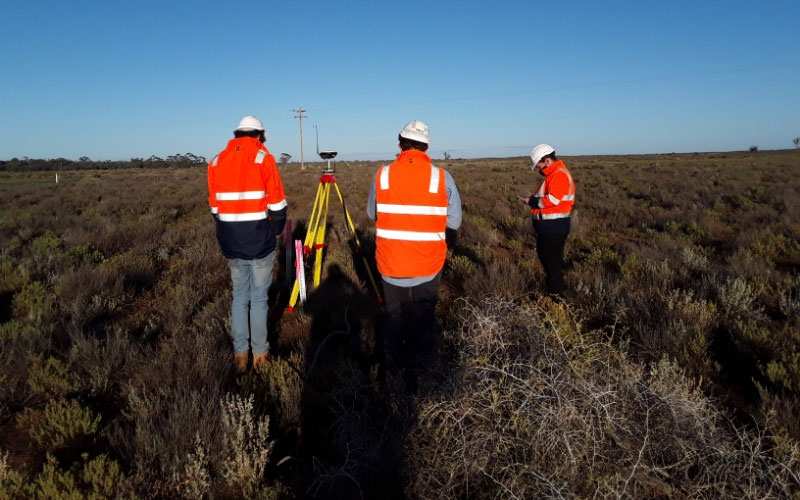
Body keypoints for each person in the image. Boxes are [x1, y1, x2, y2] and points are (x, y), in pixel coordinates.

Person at [366, 120, 462, 384]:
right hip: (428, 264)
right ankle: (424, 375)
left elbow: (371, 213)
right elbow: (454, 220)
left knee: (393, 320)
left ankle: (394, 376)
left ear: (400, 144)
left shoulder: (382, 174)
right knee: (424, 318)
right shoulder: (441, 176)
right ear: (426, 147)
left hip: (390, 264)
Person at [208, 115, 287, 373]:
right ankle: (260, 353)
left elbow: (215, 209)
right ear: (259, 135)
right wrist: (274, 232)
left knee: (239, 296)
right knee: (259, 297)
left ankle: (240, 353)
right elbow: (277, 204)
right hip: (260, 241)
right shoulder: (264, 158)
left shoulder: (216, 161)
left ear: (237, 134)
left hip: (231, 242)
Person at [520, 144, 575, 299]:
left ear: (547, 160)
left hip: (553, 228)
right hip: (550, 228)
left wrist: (532, 201)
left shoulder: (559, 174)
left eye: (539, 165)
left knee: (552, 268)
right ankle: (555, 299)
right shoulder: (555, 174)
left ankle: (557, 302)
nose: (538, 169)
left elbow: (553, 200)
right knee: (551, 266)